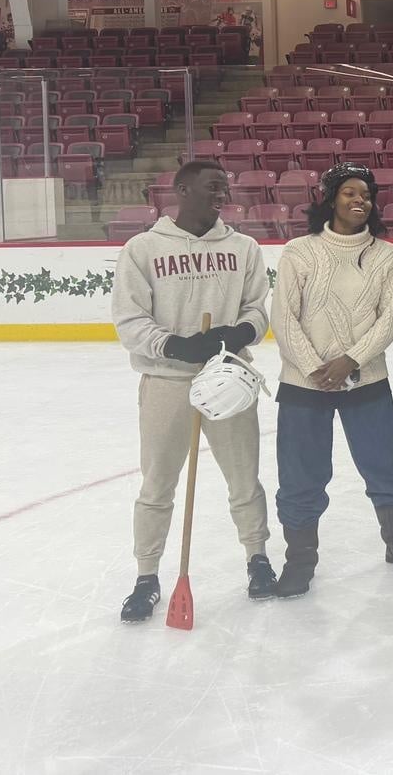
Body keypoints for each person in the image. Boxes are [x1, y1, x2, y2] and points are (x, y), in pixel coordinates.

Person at [111, 160, 275, 622]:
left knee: (244, 478)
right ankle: (146, 576)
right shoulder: (143, 249)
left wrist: (239, 334)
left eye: (224, 186)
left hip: (229, 379)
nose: (221, 193)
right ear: (181, 190)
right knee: (157, 484)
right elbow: (129, 319)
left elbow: (258, 308)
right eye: (210, 186)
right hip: (166, 381)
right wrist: (174, 344)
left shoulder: (243, 247)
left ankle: (257, 560)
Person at [269, 163, 393, 598]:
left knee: (385, 461)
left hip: (365, 379)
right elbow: (284, 318)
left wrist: (350, 360)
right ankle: (300, 561)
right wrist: (313, 367)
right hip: (303, 384)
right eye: (349, 192)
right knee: (301, 472)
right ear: (329, 198)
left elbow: (390, 319)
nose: (359, 200)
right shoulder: (299, 252)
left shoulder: (385, 255)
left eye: (365, 194)